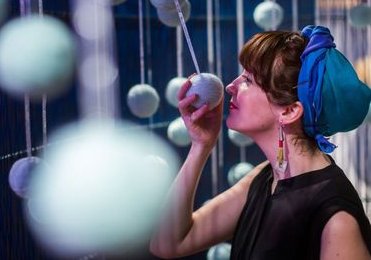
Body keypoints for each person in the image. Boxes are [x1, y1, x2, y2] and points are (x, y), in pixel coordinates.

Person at [149, 26, 371, 260]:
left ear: (289, 110)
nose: (230, 86)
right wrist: (200, 146)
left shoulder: (337, 219)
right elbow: (168, 244)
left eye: (248, 80)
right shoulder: (264, 178)